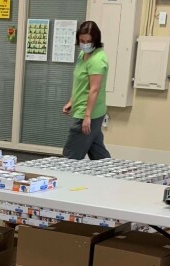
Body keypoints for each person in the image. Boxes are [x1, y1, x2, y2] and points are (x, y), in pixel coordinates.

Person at [62, 21, 110, 161]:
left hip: (88, 112)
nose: (85, 44)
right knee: (98, 152)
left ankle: (63, 179)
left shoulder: (97, 60)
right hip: (83, 108)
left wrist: (87, 117)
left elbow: (94, 89)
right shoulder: (83, 54)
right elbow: (80, 82)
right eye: (82, 40)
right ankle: (112, 177)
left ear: (95, 40)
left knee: (70, 156)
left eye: (88, 41)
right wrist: (72, 100)